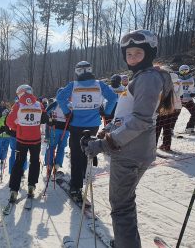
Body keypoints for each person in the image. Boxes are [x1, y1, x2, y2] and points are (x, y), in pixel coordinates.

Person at [82, 29, 173, 248]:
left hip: (129, 152)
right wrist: (108, 130)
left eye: (138, 53)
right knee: (125, 202)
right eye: (129, 54)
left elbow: (141, 120)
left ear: (149, 54)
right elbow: (127, 116)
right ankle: (127, 242)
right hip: (134, 149)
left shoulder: (148, 78)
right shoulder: (143, 78)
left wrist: (104, 144)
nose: (132, 58)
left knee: (121, 207)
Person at [56, 61, 117, 202]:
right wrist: (106, 111)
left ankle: (75, 185)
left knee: (76, 153)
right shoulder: (99, 84)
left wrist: (66, 112)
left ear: (77, 72)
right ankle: (82, 176)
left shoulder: (73, 85)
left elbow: (60, 97)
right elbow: (114, 98)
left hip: (76, 124)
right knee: (88, 150)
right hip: (94, 123)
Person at [6, 85, 48, 202]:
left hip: (22, 140)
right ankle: (31, 185)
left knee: (19, 163)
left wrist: (18, 128)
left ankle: (14, 189)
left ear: (21, 93)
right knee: (34, 161)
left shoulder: (18, 104)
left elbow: (9, 122)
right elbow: (44, 118)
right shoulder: (39, 104)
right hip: (36, 140)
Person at [44, 88, 70, 179]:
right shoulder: (68, 104)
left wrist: (50, 121)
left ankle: (50, 165)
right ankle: (56, 165)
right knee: (60, 147)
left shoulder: (55, 104)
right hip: (64, 129)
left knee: (52, 146)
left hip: (57, 129)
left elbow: (45, 113)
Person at [156, 67, 183, 151]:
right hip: (173, 106)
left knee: (157, 127)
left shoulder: (161, 80)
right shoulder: (178, 81)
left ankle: (153, 146)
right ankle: (166, 145)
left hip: (162, 106)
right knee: (167, 127)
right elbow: (181, 93)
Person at [178, 64, 195, 134]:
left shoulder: (192, 78)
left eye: (186, 71)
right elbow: (173, 88)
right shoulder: (177, 79)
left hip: (188, 99)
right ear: (179, 72)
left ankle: (190, 128)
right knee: (174, 115)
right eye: (182, 71)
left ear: (188, 70)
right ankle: (169, 129)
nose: (184, 73)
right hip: (179, 100)